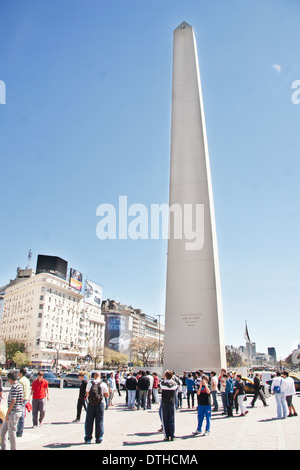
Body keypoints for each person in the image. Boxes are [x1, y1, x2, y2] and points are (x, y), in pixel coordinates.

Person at [0, 371, 24, 450]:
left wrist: (7, 413)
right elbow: (22, 399)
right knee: (3, 430)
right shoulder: (20, 386)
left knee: (12, 433)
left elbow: (13, 401)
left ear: (10, 379)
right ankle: (3, 447)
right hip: (17, 411)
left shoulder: (14, 387)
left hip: (13, 412)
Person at [84, 371, 109, 444]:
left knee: (89, 421)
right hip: (100, 404)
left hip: (91, 404)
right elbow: (106, 395)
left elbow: (87, 394)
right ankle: (99, 438)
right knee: (99, 421)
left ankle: (88, 438)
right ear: (100, 376)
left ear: (94, 376)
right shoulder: (103, 384)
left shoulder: (89, 383)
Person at [160, 370, 178, 441]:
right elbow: (176, 386)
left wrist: (165, 379)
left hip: (164, 402)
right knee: (172, 419)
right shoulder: (174, 384)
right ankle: (172, 435)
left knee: (165, 419)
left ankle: (166, 436)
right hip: (172, 403)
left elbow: (161, 385)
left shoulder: (162, 384)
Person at [17, 367, 31, 437]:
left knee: (20, 415)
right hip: (26, 398)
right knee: (22, 414)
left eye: (19, 372)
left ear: (21, 373)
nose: (18, 373)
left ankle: (19, 431)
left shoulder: (21, 381)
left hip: (22, 399)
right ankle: (19, 430)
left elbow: (20, 391)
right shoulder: (27, 380)